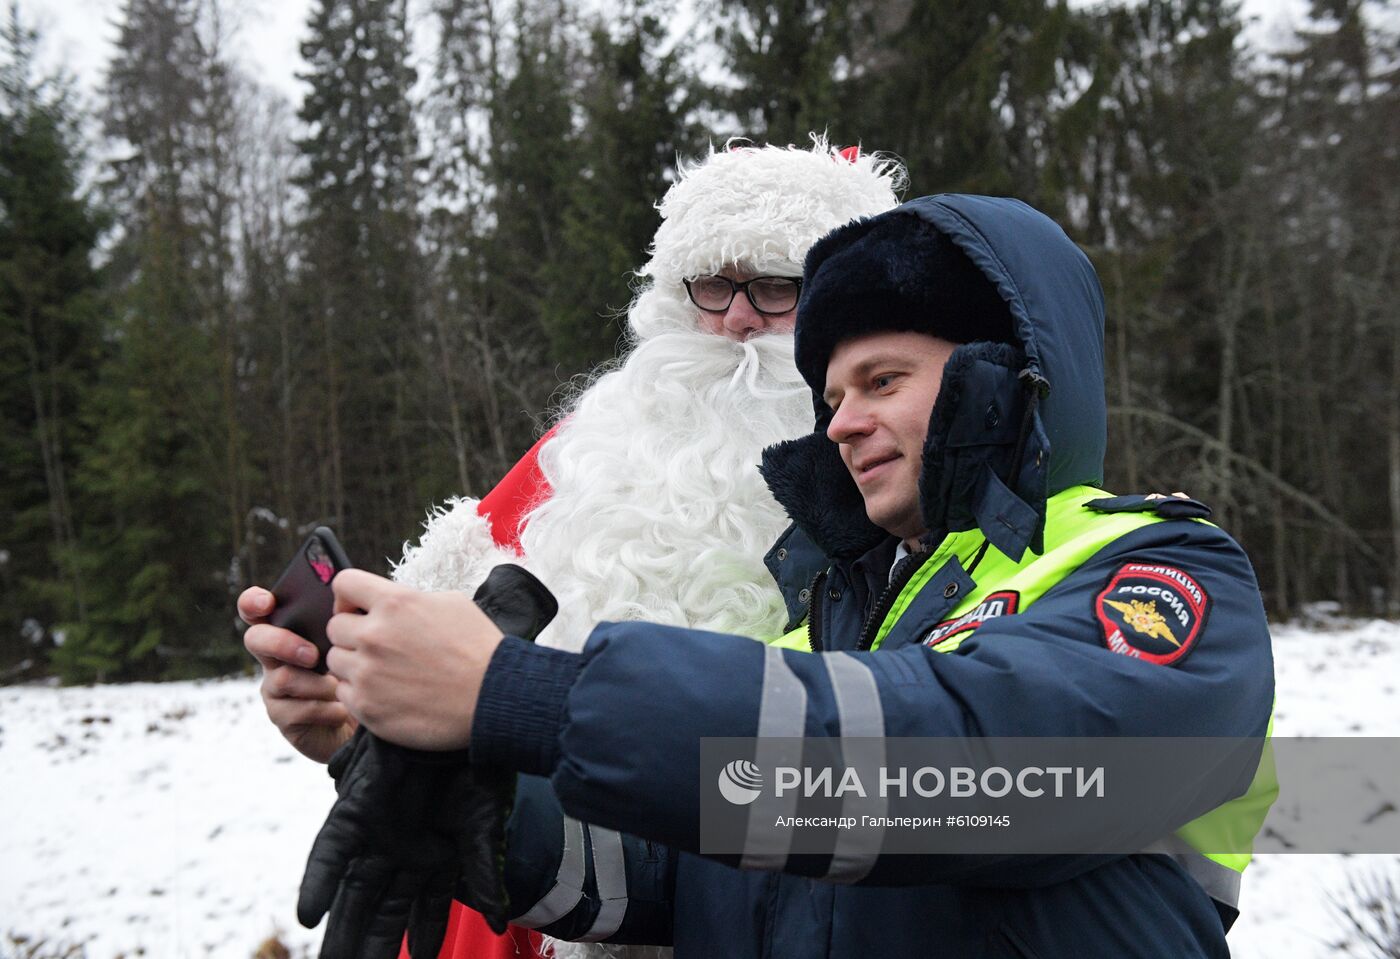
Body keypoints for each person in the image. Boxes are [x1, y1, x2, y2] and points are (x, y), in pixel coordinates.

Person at [314, 193, 1276, 957]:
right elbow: (671, 871)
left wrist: (524, 691)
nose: (842, 422)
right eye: (832, 398)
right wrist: (455, 789)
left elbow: (961, 771)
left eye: (884, 381)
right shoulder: (823, 631)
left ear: (1007, 374)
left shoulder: (1158, 572)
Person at [239, 139, 904, 958]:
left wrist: (523, 701)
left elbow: (936, 797)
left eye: (774, 288)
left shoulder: (899, 508)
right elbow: (439, 680)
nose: (735, 319)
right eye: (712, 286)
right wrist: (354, 721)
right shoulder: (587, 454)